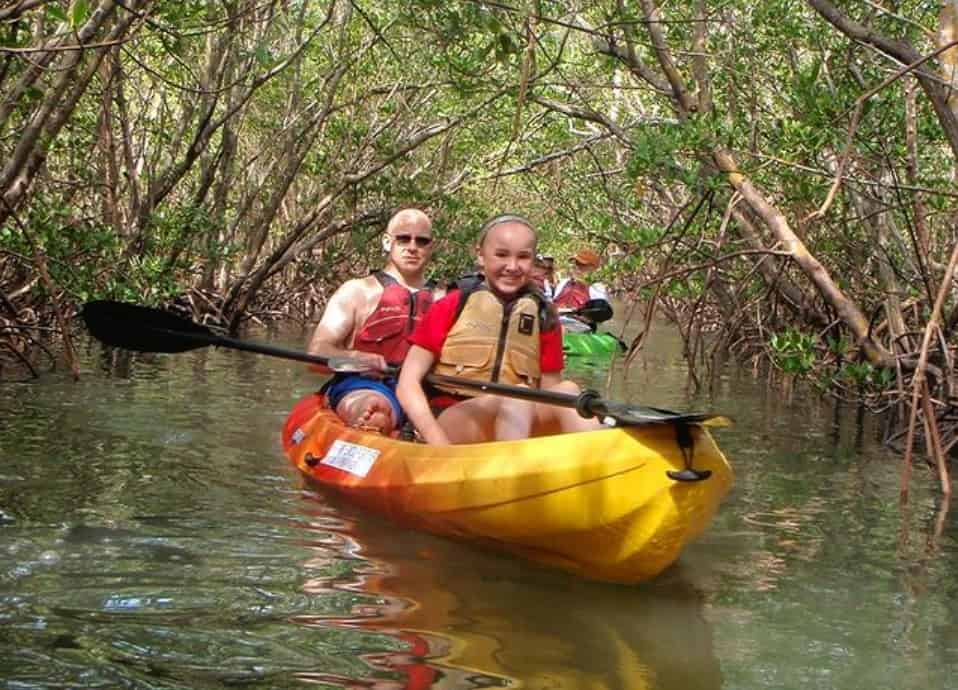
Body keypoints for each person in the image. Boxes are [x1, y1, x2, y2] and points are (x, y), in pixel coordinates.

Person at [396, 214, 603, 445]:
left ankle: (602, 465)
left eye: (523, 257)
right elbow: (407, 383)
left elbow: (550, 393)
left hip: (518, 416)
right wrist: (436, 441)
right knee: (516, 398)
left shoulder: (544, 315)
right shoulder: (451, 304)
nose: (512, 266)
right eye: (501, 255)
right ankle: (511, 473)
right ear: (480, 255)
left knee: (569, 391)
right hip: (453, 420)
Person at [307, 208, 439, 434]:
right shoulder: (357, 291)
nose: (412, 247)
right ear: (388, 242)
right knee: (375, 412)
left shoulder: (445, 299)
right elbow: (316, 355)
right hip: (366, 385)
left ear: (431, 247)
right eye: (404, 238)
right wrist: (356, 359)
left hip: (426, 393)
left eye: (422, 241)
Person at [553, 247, 610, 332]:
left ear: (593, 268)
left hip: (579, 326)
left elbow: (599, 315)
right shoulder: (564, 282)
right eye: (576, 263)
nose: (576, 267)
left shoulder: (597, 287)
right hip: (554, 322)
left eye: (582, 265)